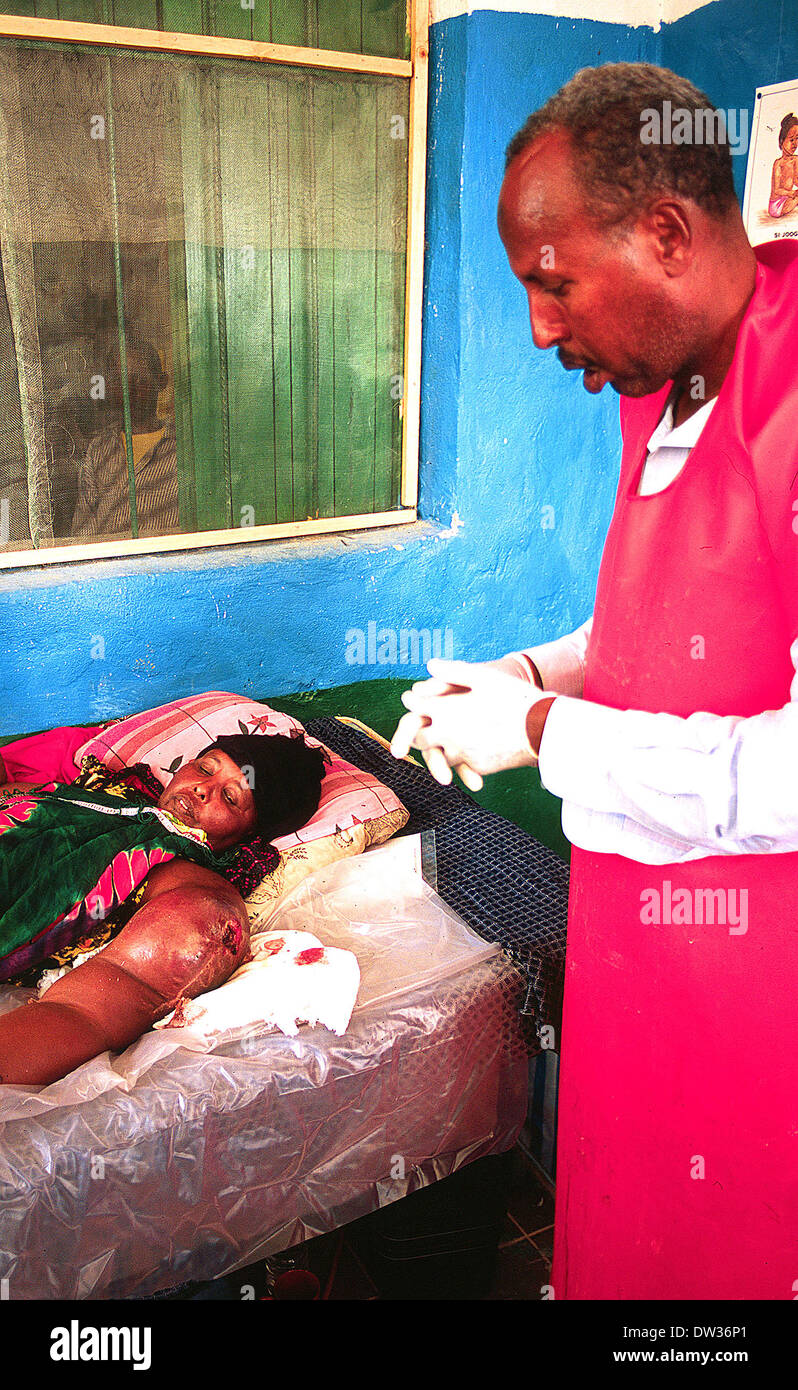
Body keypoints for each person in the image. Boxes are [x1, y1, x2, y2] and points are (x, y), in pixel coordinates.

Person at [391, 62, 798, 1300]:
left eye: (552, 281)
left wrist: (544, 730)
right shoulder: (669, 381)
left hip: (759, 1006)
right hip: (643, 968)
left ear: (667, 233)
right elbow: (669, 613)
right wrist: (521, 673)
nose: (539, 328)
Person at [0, 729, 326, 1086]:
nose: (203, 788)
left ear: (251, 833)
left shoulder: (190, 888)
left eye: (231, 797)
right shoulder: (100, 794)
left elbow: (82, 1014)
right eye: (205, 768)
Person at [71, 336, 179, 539]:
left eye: (139, 380)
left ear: (161, 382)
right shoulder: (99, 450)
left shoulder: (182, 448)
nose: (129, 390)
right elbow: (83, 534)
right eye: (119, 380)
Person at [768, 111, 798, 218]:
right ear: (781, 141)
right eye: (791, 139)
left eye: (797, 139)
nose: (795, 144)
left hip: (789, 198)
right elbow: (777, 190)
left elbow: (795, 179)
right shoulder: (778, 163)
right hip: (777, 204)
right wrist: (791, 193)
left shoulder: (795, 159)